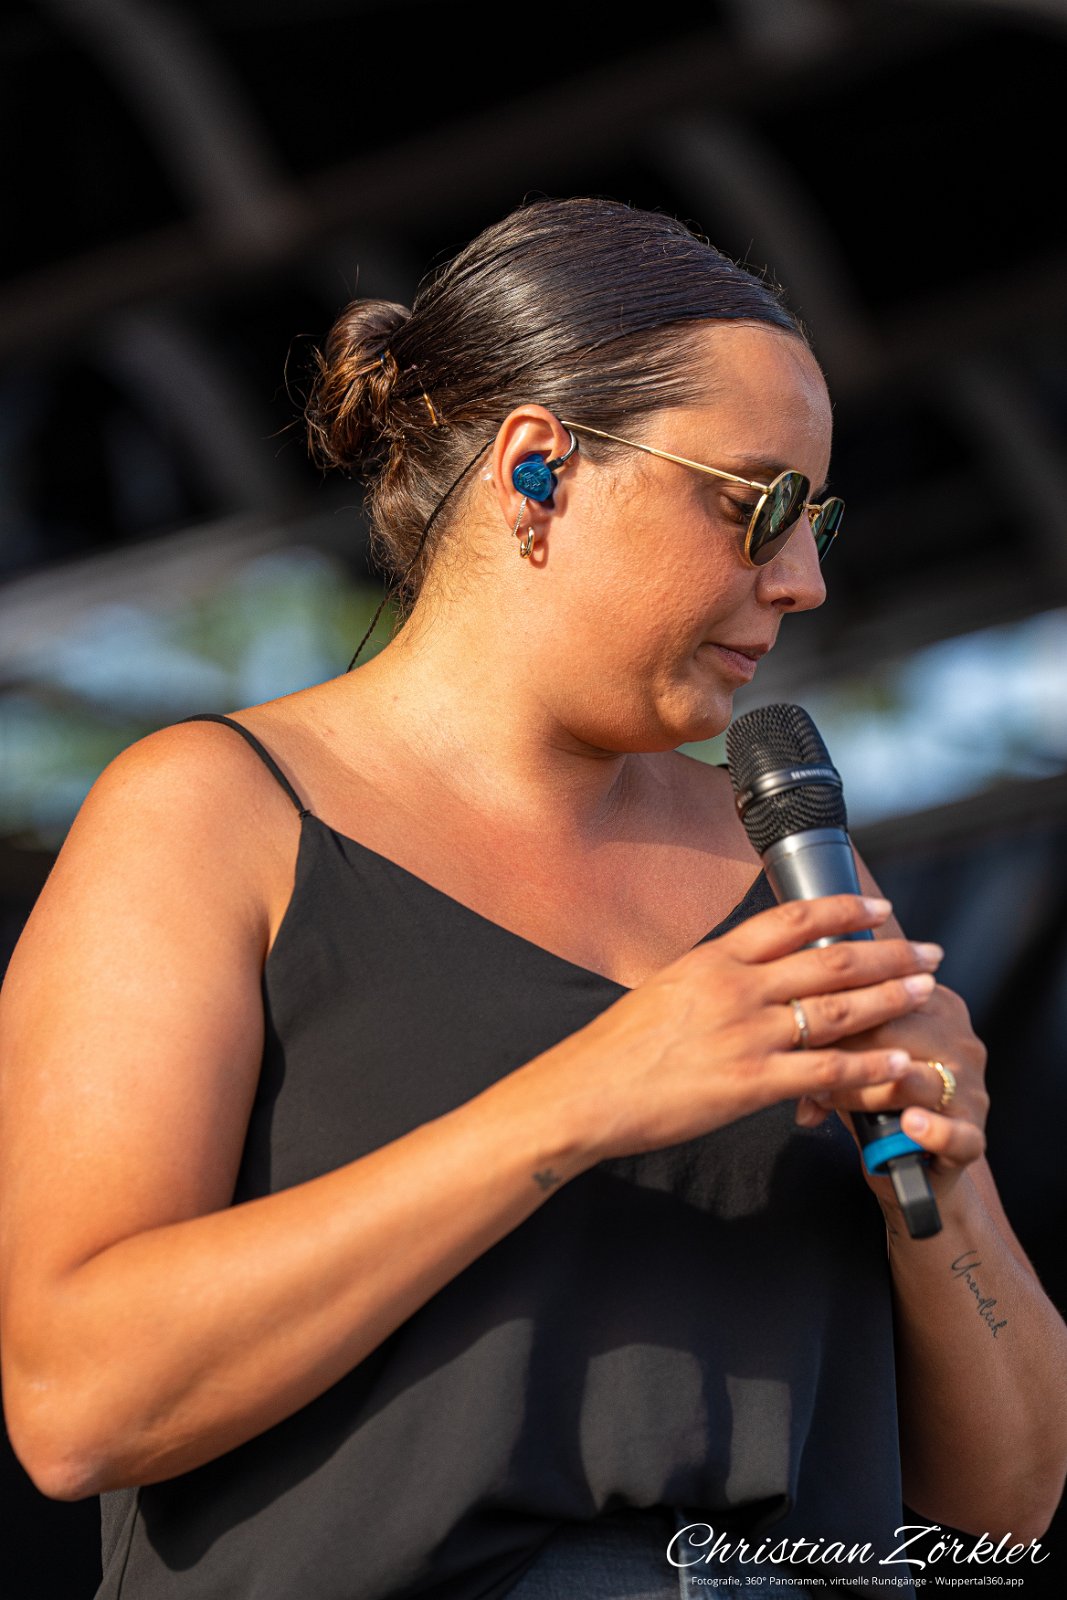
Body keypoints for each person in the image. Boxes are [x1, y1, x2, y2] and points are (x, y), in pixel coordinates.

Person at [1, 197, 1064, 1600]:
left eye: (819, 518)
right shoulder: (212, 813)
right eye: (755, 504)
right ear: (537, 471)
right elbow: (77, 1401)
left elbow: (1003, 1513)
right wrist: (584, 1097)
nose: (804, 578)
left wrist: (956, 1183)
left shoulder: (793, 868)